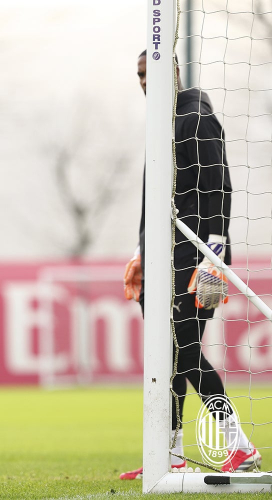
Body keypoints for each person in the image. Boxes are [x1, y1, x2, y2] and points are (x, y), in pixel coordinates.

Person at [120, 50, 261, 480]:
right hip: (163, 258)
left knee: (183, 351)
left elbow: (219, 188)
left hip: (197, 256)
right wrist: (142, 252)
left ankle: (240, 446)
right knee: (165, 355)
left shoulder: (195, 118)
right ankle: (170, 454)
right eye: (139, 74)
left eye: (152, 71)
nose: (145, 80)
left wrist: (213, 255)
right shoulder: (162, 122)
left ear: (174, 71)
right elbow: (156, 201)